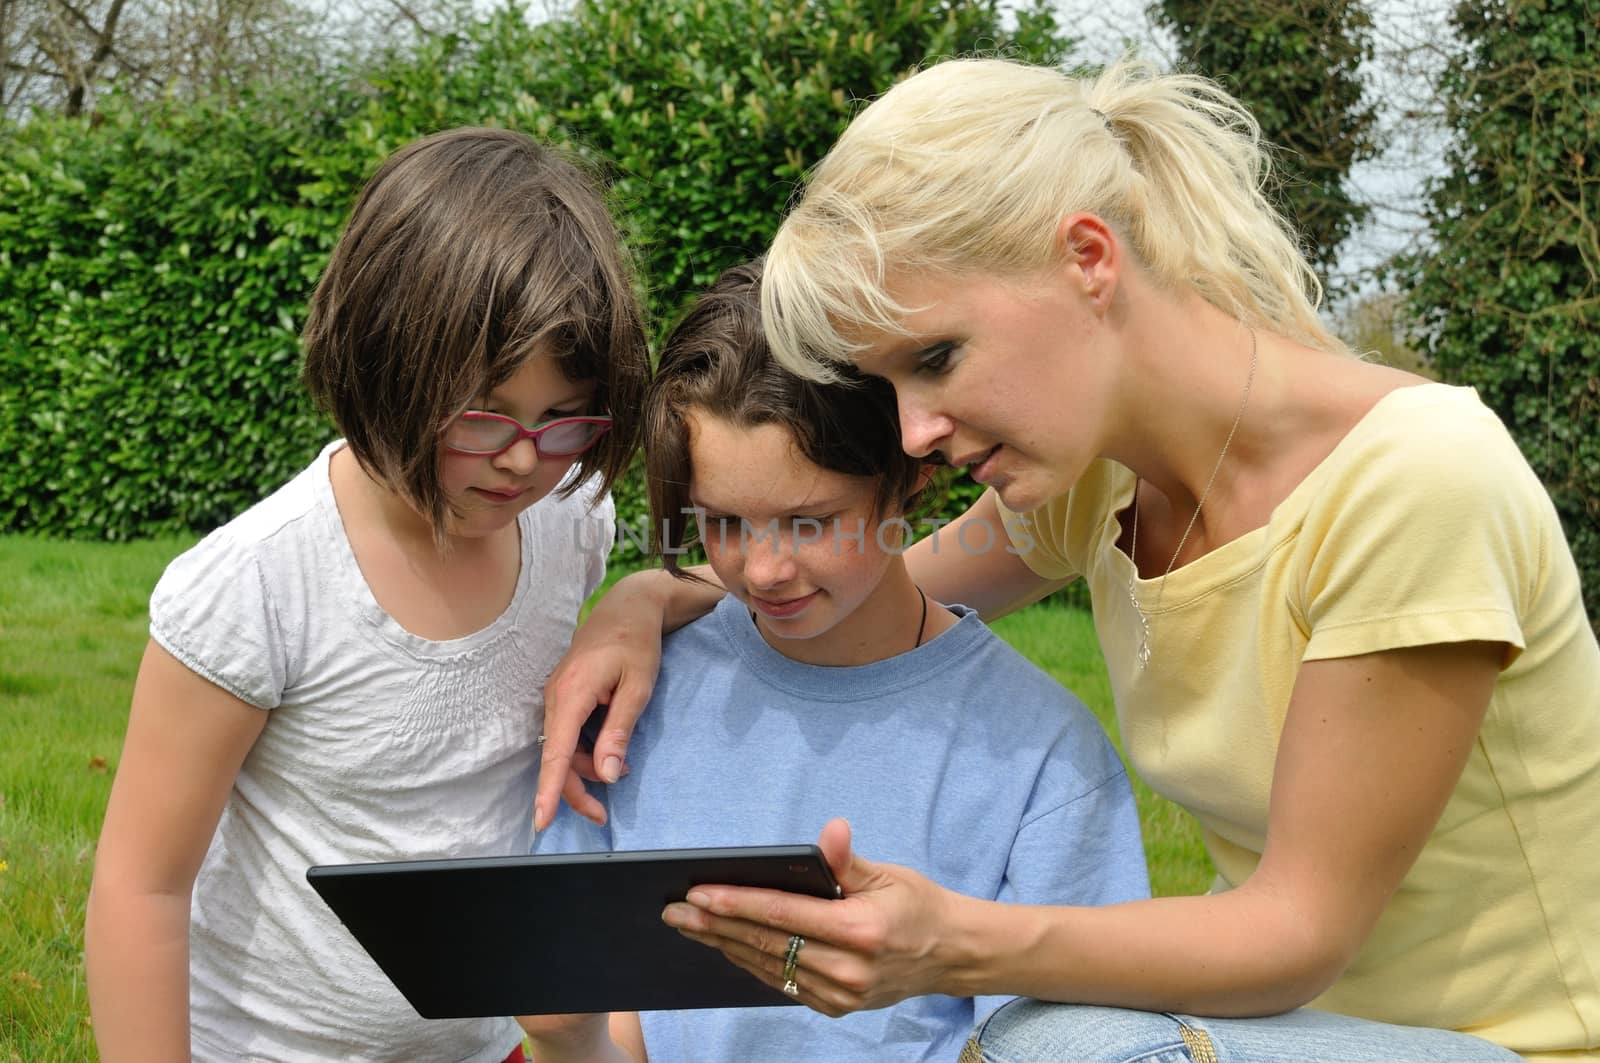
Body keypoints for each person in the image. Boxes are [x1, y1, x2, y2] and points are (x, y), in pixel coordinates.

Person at [534, 58, 1600, 1063]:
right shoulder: (1097, 485)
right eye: (888, 383)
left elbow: (1299, 929)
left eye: (937, 358)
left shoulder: (1415, 479)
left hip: (1505, 1042)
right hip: (1259, 1035)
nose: (911, 435)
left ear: (1087, 259)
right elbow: (865, 584)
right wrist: (646, 597)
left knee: (1059, 1040)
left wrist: (948, 942)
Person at [84, 127, 649, 1062]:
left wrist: (650, 596)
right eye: (486, 413)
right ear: (381, 360)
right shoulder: (259, 585)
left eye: (562, 419)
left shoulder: (572, 519)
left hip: (491, 1036)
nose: (522, 457)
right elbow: (142, 884)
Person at [519, 260, 1149, 1063]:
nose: (763, 570)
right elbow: (604, 1040)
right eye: (722, 522)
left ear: (911, 477)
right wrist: (568, 1038)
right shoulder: (628, 713)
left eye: (810, 521)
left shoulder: (1042, 762)